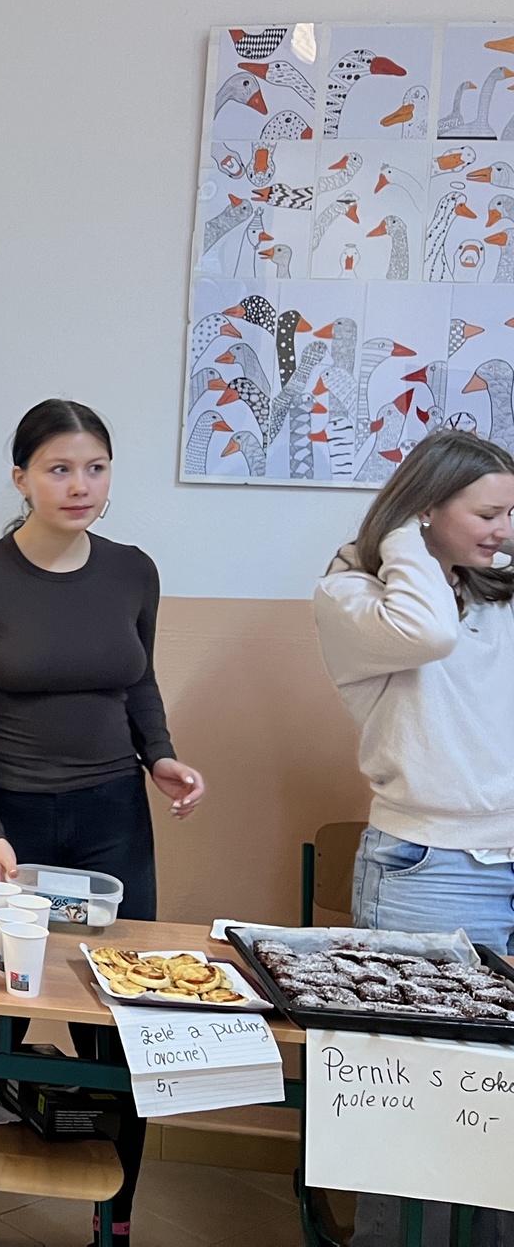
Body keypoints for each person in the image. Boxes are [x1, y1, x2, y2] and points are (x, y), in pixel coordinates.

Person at [0, 399, 206, 1247]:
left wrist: (160, 756)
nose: (81, 486)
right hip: (9, 823)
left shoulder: (132, 571)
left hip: (114, 820)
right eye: (59, 469)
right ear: (22, 479)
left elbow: (138, 679)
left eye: (96, 468)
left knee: (118, 1020)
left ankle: (114, 1224)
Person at [313, 429, 514, 1247]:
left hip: (507, 857)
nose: (504, 530)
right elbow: (429, 635)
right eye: (488, 513)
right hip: (428, 868)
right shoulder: (354, 597)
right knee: (419, 1101)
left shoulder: (496, 593)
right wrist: (403, 535)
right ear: (426, 507)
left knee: (498, 1102)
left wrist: (449, 539)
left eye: (512, 514)